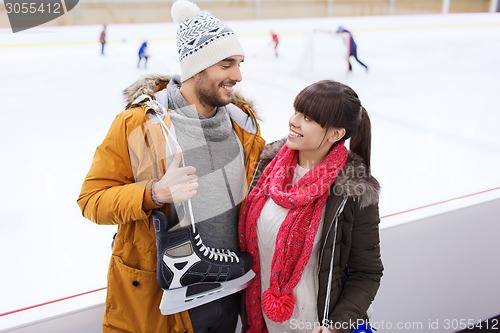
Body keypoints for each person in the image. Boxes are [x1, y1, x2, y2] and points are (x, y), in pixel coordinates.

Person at [77, 0, 265, 332]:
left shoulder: (243, 125)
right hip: (166, 303)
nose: (237, 75)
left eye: (239, 63)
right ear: (197, 67)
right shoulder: (139, 124)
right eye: (226, 64)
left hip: (231, 292)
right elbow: (92, 200)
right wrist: (155, 193)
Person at [239, 80, 383, 333]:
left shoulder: (353, 191)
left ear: (336, 134)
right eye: (296, 111)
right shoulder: (268, 167)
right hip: (262, 319)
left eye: (307, 117)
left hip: (313, 324)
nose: (293, 121)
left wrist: (336, 327)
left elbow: (367, 272)